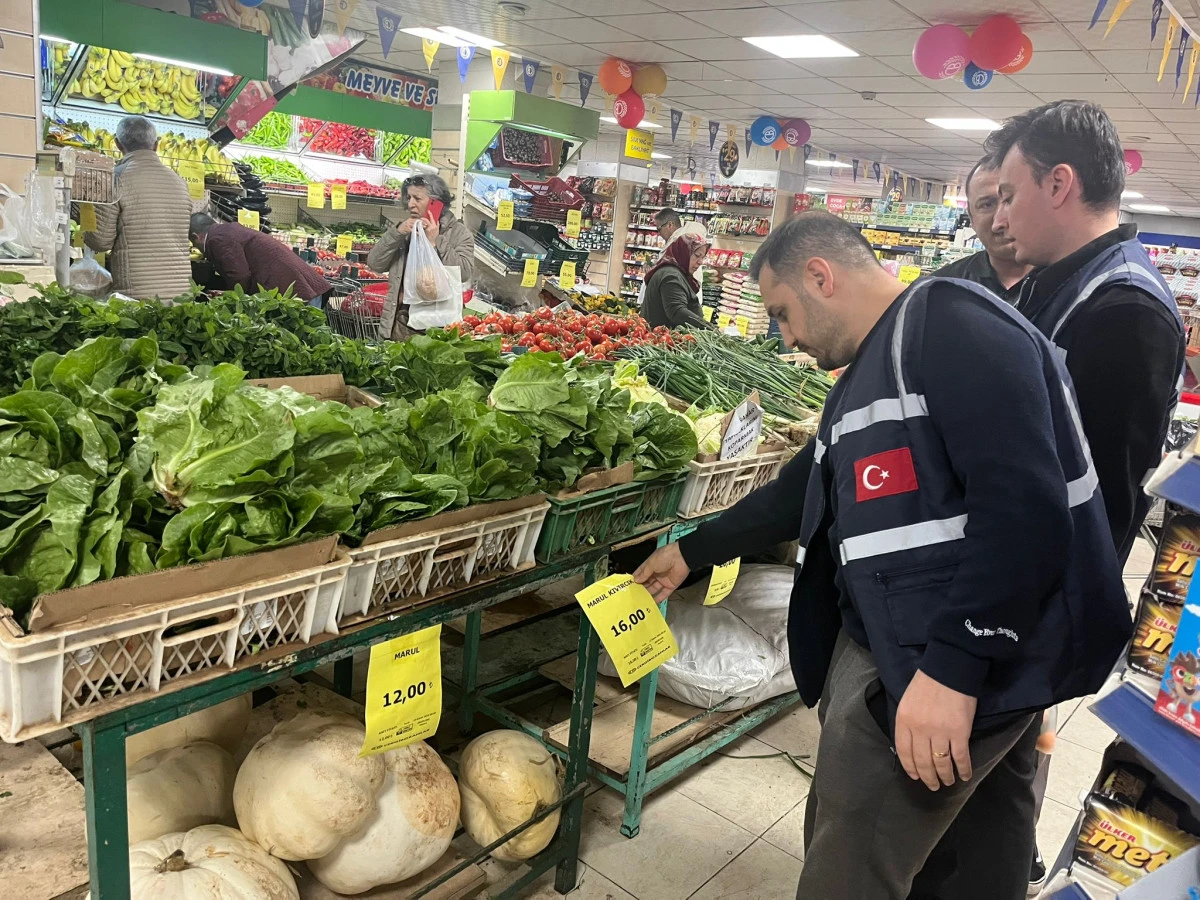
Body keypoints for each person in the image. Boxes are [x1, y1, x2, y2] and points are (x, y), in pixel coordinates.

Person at [633, 211, 1131, 900]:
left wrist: (954, 669)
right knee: (984, 845)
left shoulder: (952, 326)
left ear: (820, 275)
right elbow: (802, 487)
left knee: (852, 864)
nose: (788, 338)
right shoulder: (876, 365)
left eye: (783, 314)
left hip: (944, 662)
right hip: (992, 656)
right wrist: (692, 552)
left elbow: (1026, 509)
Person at [984, 99, 1185, 893]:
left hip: (1033, 611)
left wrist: (993, 630)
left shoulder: (1124, 309)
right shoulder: (1063, 284)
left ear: (1059, 184)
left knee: (986, 790)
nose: (998, 216)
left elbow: (1091, 506)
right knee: (988, 795)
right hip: (1016, 602)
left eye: (1008, 193)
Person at [84, 115, 191, 300]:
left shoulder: (115, 179)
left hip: (138, 296)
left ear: (118, 144)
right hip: (181, 295)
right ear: (156, 144)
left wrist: (83, 214)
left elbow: (100, 242)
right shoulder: (180, 182)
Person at [368, 173, 473, 341]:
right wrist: (397, 233)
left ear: (436, 203)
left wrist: (436, 241)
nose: (410, 204)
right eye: (408, 198)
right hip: (401, 325)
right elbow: (375, 263)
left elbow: (464, 273)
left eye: (417, 198)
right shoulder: (405, 231)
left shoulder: (459, 233)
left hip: (439, 329)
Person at [935, 159, 1031, 303]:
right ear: (971, 217)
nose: (1001, 220)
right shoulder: (940, 290)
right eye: (987, 204)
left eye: (1011, 200)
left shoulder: (1069, 288)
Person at [188, 213, 331, 306]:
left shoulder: (217, 239)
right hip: (304, 290)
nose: (198, 249)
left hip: (299, 296)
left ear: (197, 236)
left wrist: (232, 299)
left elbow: (239, 275)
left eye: (194, 244)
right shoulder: (226, 231)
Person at [639, 232, 712, 329]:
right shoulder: (671, 276)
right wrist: (709, 328)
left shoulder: (676, 273)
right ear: (683, 252)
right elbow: (677, 312)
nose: (700, 262)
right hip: (662, 340)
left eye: (703, 257)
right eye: (697, 255)